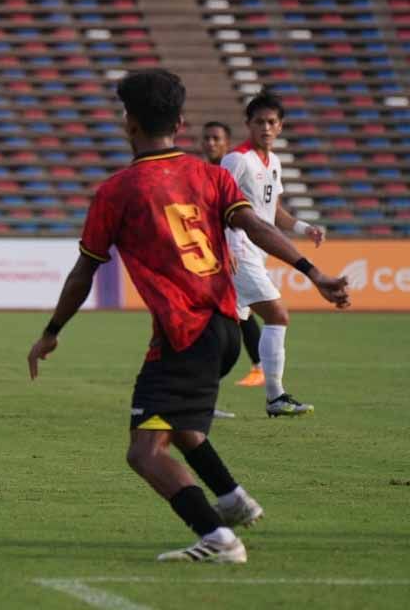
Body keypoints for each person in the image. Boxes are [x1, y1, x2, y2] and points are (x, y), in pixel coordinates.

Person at [27, 70, 349, 563]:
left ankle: (219, 539)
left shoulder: (116, 192)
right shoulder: (213, 175)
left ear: (128, 123)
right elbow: (257, 228)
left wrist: (51, 332)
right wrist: (313, 271)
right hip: (224, 329)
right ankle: (233, 500)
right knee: (179, 424)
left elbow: (83, 272)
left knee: (145, 451)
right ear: (180, 122)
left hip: (185, 334)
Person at [220, 90, 326, 416]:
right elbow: (216, 205)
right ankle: (275, 397)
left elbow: (273, 212)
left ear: (280, 127)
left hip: (258, 250)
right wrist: (225, 246)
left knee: (220, 332)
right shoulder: (237, 159)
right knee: (278, 315)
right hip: (239, 251)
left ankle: (192, 401)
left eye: (271, 122)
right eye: (259, 122)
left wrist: (303, 227)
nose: (265, 127)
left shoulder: (274, 162)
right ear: (248, 125)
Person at [201, 121, 264, 389]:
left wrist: (232, 247)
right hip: (207, 252)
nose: (211, 143)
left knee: (237, 312)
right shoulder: (202, 172)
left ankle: (260, 368)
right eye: (207, 138)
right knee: (233, 313)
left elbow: (237, 213)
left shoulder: (232, 170)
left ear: (227, 143)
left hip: (235, 252)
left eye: (216, 138)